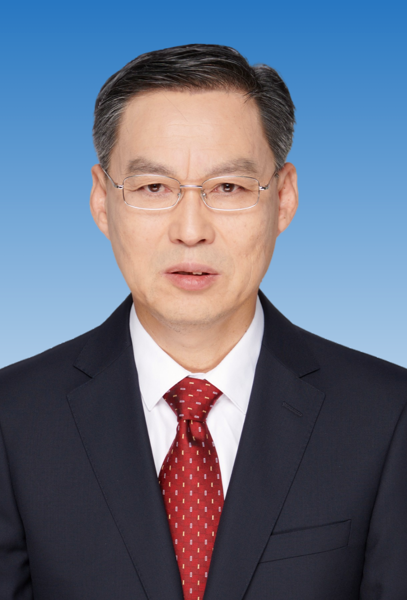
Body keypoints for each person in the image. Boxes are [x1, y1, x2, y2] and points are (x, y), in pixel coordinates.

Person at [0, 44, 406, 600]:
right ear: (101, 200)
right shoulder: (13, 419)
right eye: (153, 188)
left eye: (228, 188)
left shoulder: (386, 417)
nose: (190, 230)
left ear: (284, 198)